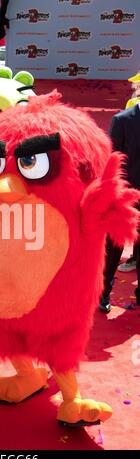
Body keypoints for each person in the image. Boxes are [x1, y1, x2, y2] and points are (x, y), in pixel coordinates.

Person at [99, 102, 140, 313]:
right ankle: (104, 291)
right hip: (125, 196)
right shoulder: (122, 120)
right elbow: (111, 163)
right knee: (114, 247)